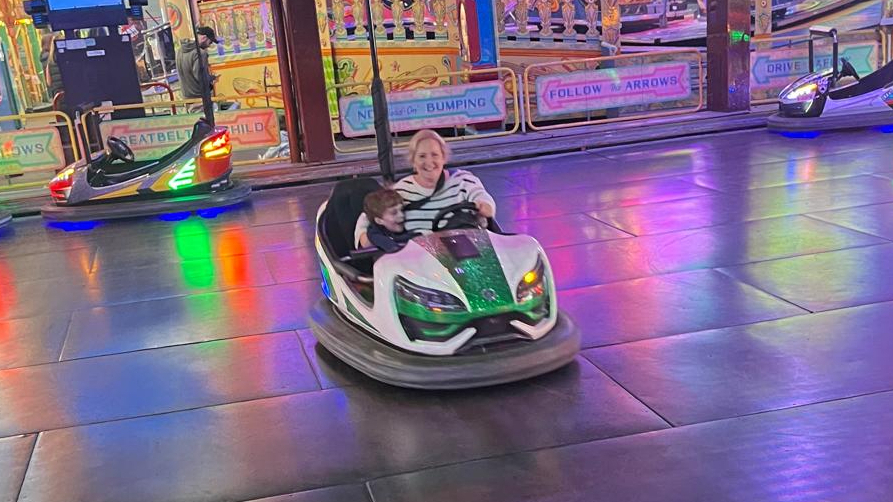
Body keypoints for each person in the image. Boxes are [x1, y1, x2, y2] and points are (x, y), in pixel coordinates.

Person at [355, 129, 496, 248]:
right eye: (422, 156)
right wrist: (363, 236)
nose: (429, 162)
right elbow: (370, 214)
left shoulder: (463, 181)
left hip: (466, 252)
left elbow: (481, 196)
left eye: (434, 155)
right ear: (413, 162)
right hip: (420, 262)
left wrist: (485, 206)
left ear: (443, 158)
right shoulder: (402, 190)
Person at [176, 26, 219, 107]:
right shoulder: (200, 53)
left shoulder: (180, 50)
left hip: (187, 98)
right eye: (210, 42)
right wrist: (213, 78)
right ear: (204, 38)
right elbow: (201, 77)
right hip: (199, 98)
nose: (209, 46)